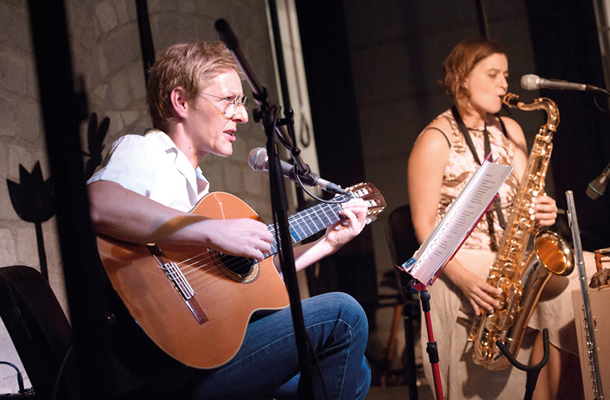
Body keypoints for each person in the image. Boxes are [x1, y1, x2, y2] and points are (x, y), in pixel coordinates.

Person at [87, 41, 371, 400]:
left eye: (242, 102)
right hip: (166, 369)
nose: (241, 115)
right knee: (343, 315)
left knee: (355, 372)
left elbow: (253, 287)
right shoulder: (145, 151)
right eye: (229, 101)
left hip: (206, 356)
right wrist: (212, 230)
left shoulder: (200, 189)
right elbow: (96, 203)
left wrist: (326, 244)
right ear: (181, 102)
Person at [407, 37, 595, 400]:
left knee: (588, 274)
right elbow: (424, 228)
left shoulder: (509, 129)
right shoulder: (434, 139)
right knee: (571, 286)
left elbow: (528, 195)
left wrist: (542, 209)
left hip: (508, 255)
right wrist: (463, 279)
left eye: (505, 75)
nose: (504, 85)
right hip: (458, 262)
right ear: (461, 79)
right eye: (492, 74)